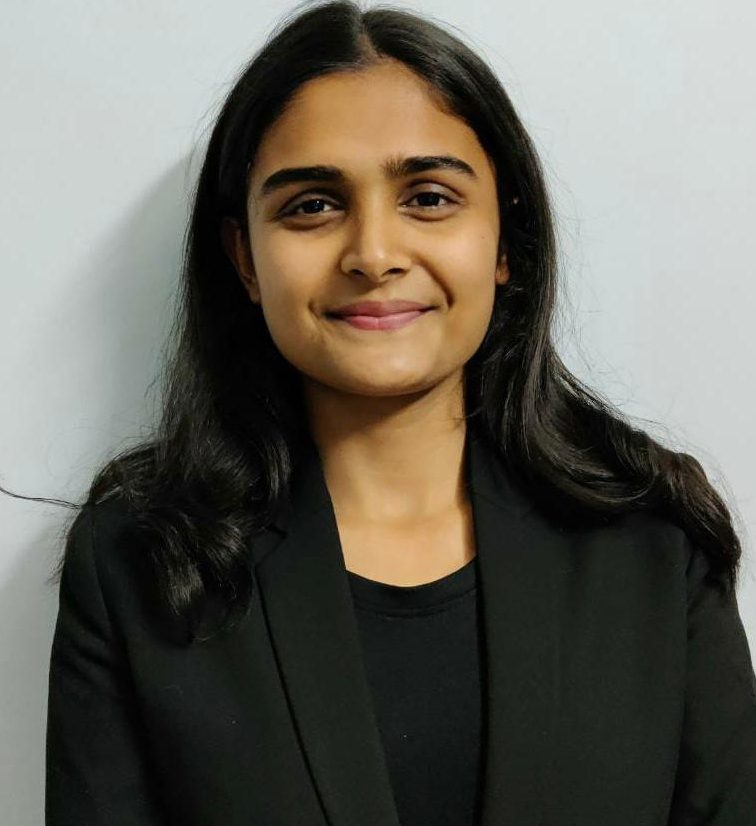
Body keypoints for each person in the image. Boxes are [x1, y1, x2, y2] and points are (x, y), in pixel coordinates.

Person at [42, 1, 756, 824]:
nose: (374, 254)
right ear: (244, 259)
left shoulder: (653, 540)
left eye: (429, 197)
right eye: (312, 205)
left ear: (506, 242)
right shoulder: (139, 560)